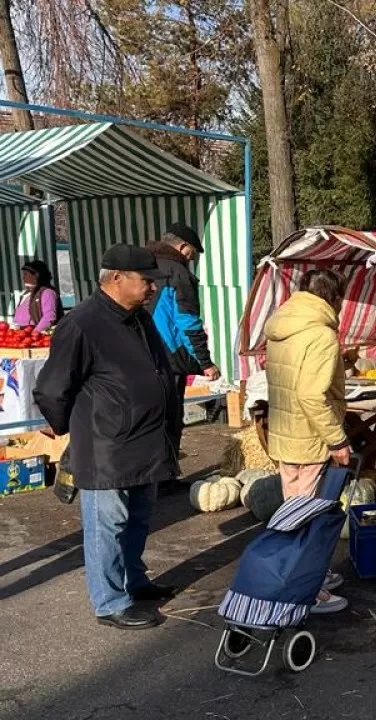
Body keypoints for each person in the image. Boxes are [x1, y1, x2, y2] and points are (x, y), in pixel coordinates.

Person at [34, 245, 181, 630]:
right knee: (108, 525)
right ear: (116, 278)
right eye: (146, 280)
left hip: (144, 442)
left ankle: (134, 581)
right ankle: (110, 602)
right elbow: (51, 388)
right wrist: (71, 428)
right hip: (107, 445)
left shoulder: (139, 319)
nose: (153, 288)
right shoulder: (82, 324)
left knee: (138, 518)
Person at [264, 268, 351, 614]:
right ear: (333, 299)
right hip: (311, 435)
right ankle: (308, 590)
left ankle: (312, 575)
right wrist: (337, 440)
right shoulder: (321, 335)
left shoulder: (280, 326)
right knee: (308, 516)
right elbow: (311, 394)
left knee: (292, 510)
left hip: (284, 430)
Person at [146, 223, 219, 478]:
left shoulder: (141, 266)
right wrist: (205, 361)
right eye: (192, 254)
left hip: (137, 354)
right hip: (168, 357)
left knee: (146, 418)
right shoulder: (178, 273)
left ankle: (147, 478)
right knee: (169, 417)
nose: (192, 259)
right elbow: (187, 322)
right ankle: (165, 477)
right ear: (182, 247)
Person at [13, 259, 62, 332]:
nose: (23, 277)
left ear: (36, 275)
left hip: (36, 335)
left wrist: (35, 333)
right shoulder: (25, 294)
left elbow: (49, 317)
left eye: (26, 274)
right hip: (21, 335)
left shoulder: (47, 292)